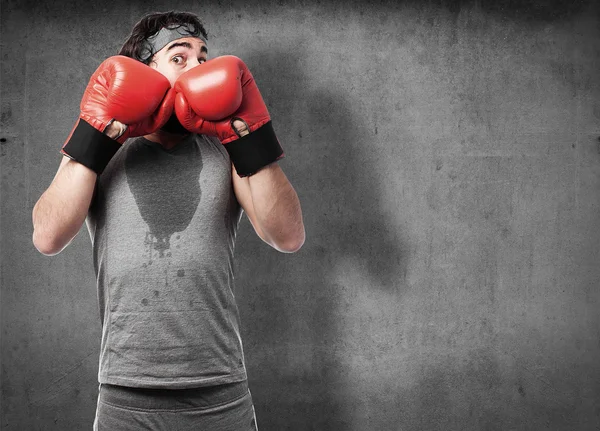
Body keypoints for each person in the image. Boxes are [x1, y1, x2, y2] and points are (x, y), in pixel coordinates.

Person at [31, 10, 305, 431]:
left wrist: (249, 134)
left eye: (203, 56)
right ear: (143, 71)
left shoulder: (227, 150)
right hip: (125, 394)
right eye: (179, 56)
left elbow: (287, 235)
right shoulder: (105, 152)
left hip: (221, 392)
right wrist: (94, 133)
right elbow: (47, 237)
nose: (198, 67)